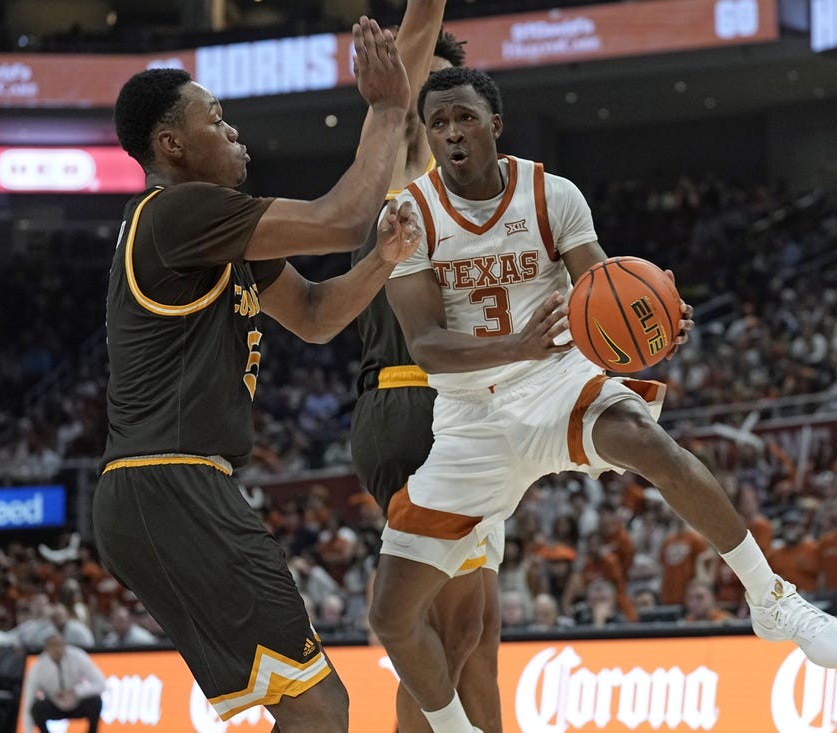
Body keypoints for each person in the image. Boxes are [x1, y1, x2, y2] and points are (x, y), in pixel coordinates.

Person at [370, 65, 837, 733]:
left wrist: (653, 320)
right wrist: (517, 344)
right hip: (471, 416)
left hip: (554, 382)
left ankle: (771, 596)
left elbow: (600, 290)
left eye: (463, 117)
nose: (452, 132)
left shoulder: (552, 194)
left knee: (645, 438)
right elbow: (426, 343)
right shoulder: (411, 214)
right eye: (439, 123)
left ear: (495, 124)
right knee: (391, 616)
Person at [91, 16, 417, 732]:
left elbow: (313, 312)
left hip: (164, 487)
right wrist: (391, 109)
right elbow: (341, 217)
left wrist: (380, 263)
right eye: (217, 119)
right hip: (170, 481)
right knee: (320, 707)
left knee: (301, 706)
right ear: (171, 145)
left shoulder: (212, 233)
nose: (234, 131)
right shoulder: (178, 212)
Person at [348, 4, 502, 731]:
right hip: (419, 408)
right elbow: (401, 93)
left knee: (477, 637)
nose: (440, 114)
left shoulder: (479, 206)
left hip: (468, 411)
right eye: (426, 95)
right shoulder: (398, 162)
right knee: (440, 632)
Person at [21, 633, 106, 733]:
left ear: (65, 644)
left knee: (95, 701)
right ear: (47, 648)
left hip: (77, 702)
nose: (57, 649)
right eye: (53, 645)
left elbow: (101, 684)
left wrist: (76, 692)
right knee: (37, 708)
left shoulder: (79, 657)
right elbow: (28, 704)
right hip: (54, 705)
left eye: (60, 644)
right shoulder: (38, 668)